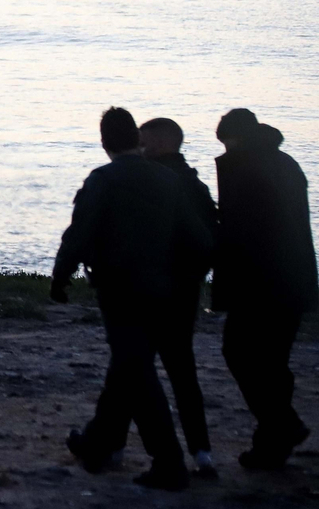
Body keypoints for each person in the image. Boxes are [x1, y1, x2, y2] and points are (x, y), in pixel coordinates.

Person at [52, 107, 210, 491]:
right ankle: (98, 442)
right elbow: (199, 238)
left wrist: (60, 276)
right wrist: (187, 280)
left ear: (104, 141)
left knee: (136, 371)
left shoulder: (103, 180)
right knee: (128, 365)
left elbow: (80, 232)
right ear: (136, 140)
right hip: (164, 290)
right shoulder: (167, 180)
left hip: (120, 289)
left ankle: (168, 462)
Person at [214, 108, 317, 470]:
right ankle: (272, 443)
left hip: (260, 283)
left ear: (236, 138)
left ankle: (282, 427)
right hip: (293, 280)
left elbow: (243, 231)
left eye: (226, 142)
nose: (225, 149)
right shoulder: (284, 163)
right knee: (274, 363)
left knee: (239, 352)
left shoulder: (245, 168)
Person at [136, 116, 219, 478]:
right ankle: (202, 453)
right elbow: (209, 239)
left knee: (134, 368)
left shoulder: (151, 182)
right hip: (184, 291)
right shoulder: (194, 185)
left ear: (165, 144)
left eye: (147, 144)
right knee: (182, 373)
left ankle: (112, 446)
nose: (141, 150)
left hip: (152, 288)